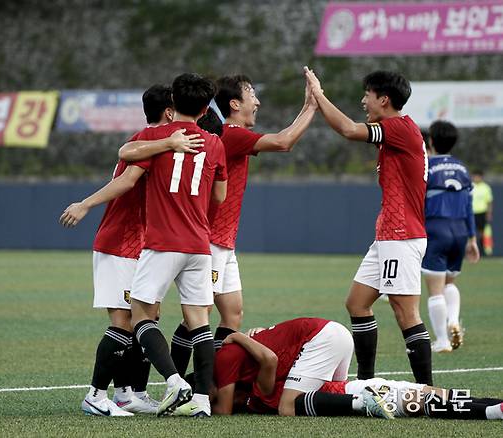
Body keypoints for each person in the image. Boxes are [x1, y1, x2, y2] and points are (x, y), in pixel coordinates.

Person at [120, 73, 318, 378]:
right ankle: (179, 382)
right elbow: (283, 141)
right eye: (252, 94)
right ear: (235, 103)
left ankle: (201, 381)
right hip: (208, 240)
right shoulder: (231, 134)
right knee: (196, 318)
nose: (258, 101)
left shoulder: (228, 136)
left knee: (233, 314)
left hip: (223, 242)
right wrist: (311, 106)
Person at [62, 73, 227, 417]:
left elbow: (129, 165)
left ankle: (130, 392)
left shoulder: (157, 140)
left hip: (152, 243)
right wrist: (85, 204)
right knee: (133, 319)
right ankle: (108, 393)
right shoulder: (167, 141)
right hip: (132, 242)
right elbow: (127, 171)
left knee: (145, 316)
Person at [305, 67, 433, 385]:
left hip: (401, 235)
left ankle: (427, 392)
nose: (364, 100)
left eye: (368, 95)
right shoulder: (396, 130)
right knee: (357, 303)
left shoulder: (399, 128)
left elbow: (348, 130)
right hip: (389, 235)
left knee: (406, 313)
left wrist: (318, 97)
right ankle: (366, 382)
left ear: (384, 100)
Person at [210, 317, 393, 419]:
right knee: (336, 391)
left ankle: (363, 402)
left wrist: (237, 336)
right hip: (334, 333)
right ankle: (400, 392)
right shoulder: (242, 369)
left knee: (287, 407)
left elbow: (224, 410)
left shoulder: (223, 359)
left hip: (320, 338)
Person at [421, 120, 479, 353]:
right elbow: (469, 205)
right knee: (449, 282)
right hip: (461, 230)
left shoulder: (425, 166)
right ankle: (454, 320)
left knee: (435, 289)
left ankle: (442, 341)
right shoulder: (463, 169)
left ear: (431, 141)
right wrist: (473, 239)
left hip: (436, 228)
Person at [321, 377, 503, 420]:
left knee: (432, 399)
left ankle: (494, 411)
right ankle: (496, 409)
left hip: (357, 388)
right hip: (362, 385)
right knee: (437, 396)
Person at [471, 169, 494, 256]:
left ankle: (482, 250)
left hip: (482, 213)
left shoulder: (486, 187)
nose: (476, 178)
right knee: (471, 233)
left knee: (482, 233)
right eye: (474, 176)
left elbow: (489, 202)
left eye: (478, 176)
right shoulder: (470, 186)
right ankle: (471, 251)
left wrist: (489, 213)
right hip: (472, 213)